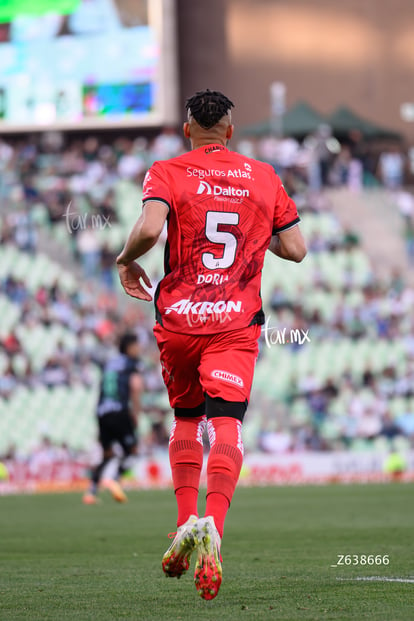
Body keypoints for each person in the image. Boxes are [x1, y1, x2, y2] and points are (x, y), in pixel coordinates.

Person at [116, 90, 306, 599]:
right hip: (234, 321)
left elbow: (151, 229)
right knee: (227, 425)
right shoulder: (263, 176)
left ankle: (183, 522)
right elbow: (296, 248)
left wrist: (122, 259)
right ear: (229, 129)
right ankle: (213, 526)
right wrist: (253, 228)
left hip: (179, 319)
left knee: (184, 420)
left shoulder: (167, 170)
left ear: (186, 131)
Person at [83, 332, 143, 504]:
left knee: (107, 455)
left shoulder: (110, 362)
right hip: (120, 411)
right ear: (129, 347)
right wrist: (136, 413)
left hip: (102, 412)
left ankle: (91, 492)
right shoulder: (131, 363)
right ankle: (115, 480)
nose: (138, 349)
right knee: (133, 452)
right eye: (136, 346)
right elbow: (136, 386)